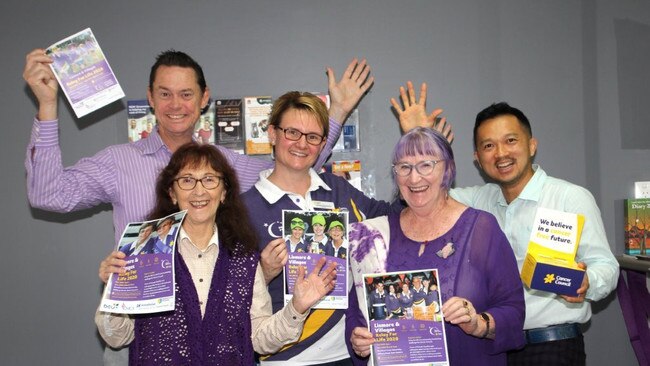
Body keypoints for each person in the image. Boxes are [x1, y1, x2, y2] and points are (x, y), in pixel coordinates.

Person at [23, 48, 372, 363]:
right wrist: (47, 105)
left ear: (204, 98)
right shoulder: (118, 162)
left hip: (217, 341)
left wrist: (336, 112)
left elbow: (295, 161)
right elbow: (48, 195)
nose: (176, 104)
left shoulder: (227, 164)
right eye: (165, 94)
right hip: (136, 333)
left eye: (186, 94)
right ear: (150, 97)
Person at [395, 84, 619, 365]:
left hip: (551, 345)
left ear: (532, 145)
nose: (501, 153)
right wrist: (419, 140)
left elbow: (607, 266)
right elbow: (422, 191)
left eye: (511, 141)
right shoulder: (476, 200)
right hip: (493, 344)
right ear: (477, 158)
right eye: (488, 146)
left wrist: (587, 283)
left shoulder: (569, 197)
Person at [95, 143, 338, 365]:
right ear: (172, 193)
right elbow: (117, 337)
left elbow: (259, 338)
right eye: (187, 180)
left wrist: (296, 307)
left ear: (223, 193)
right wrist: (114, 290)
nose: (199, 191)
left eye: (210, 179)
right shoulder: (144, 250)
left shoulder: (243, 258)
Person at [241, 91, 408, 365]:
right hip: (285, 356)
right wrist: (264, 273)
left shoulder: (338, 191)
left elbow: (395, 218)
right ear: (272, 133)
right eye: (292, 132)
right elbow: (226, 295)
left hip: (349, 352)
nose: (302, 144)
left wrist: (417, 144)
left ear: (321, 144)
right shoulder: (244, 209)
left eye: (313, 136)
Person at [346, 127, 526, 365]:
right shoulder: (374, 236)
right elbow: (357, 315)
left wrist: (477, 323)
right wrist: (359, 342)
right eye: (404, 167)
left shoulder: (481, 228)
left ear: (447, 169)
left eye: (426, 165)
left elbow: (513, 312)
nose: (414, 178)